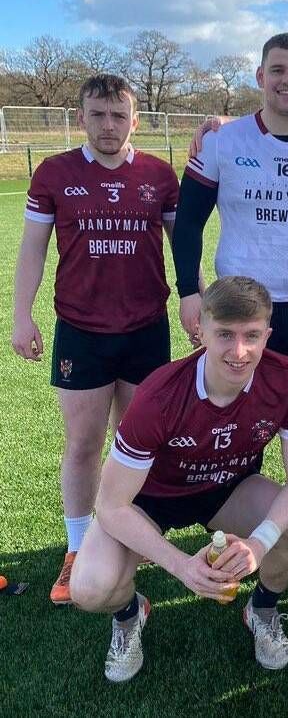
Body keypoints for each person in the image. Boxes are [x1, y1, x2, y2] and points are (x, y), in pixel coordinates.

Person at [69, 276, 288, 681]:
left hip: (228, 487)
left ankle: (262, 607)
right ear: (200, 330)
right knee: (90, 588)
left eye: (251, 335)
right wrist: (180, 564)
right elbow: (111, 504)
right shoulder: (160, 394)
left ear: (267, 334)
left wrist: (259, 544)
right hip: (151, 497)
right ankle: (130, 612)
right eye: (225, 334)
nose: (239, 351)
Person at [173, 33, 288, 558]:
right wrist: (190, 291)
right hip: (239, 307)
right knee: (236, 410)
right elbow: (187, 224)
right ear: (260, 77)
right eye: (278, 70)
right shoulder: (222, 142)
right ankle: (241, 514)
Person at [11, 74, 179, 604]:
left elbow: (186, 246)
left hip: (146, 329)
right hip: (81, 332)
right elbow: (33, 250)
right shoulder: (55, 173)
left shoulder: (158, 174)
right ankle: (78, 549)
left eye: (120, 115)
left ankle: (134, 538)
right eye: (99, 114)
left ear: (136, 118)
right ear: (81, 116)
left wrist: (199, 299)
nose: (110, 125)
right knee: (83, 445)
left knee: (138, 443)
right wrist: (21, 316)